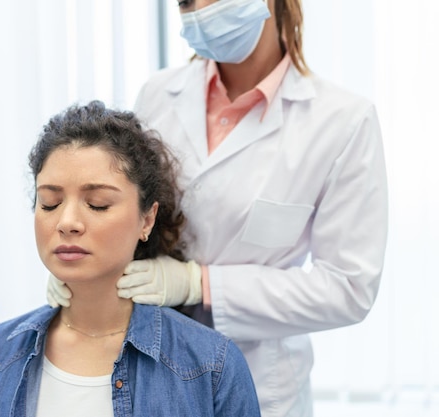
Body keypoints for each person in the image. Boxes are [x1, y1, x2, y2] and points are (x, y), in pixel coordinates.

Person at [47, 1, 389, 416]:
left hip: (261, 380)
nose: (200, 9)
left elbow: (348, 289)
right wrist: (86, 277)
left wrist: (200, 284)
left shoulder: (341, 122)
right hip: (147, 361)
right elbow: (128, 214)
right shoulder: (159, 94)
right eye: (188, 1)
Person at [0, 101, 261, 417]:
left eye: (98, 204)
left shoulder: (210, 366)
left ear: (147, 220)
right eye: (49, 203)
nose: (67, 222)